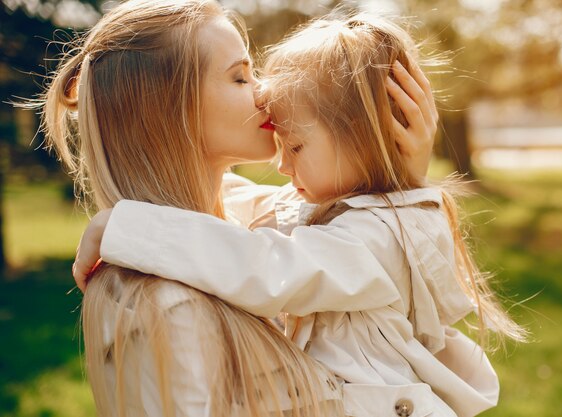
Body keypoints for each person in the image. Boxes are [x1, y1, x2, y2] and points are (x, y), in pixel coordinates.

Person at [73, 11, 527, 417]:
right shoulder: (169, 309)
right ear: (169, 112)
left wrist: (391, 172)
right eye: (239, 77)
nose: (264, 93)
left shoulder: (353, 238)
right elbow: (254, 240)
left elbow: (267, 252)